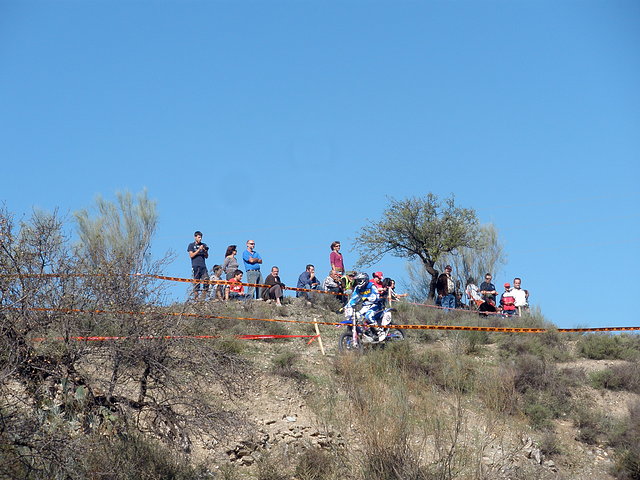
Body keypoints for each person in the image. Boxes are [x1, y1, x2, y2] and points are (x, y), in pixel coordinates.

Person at [344, 272, 387, 340]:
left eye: (360, 280)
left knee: (368, 316)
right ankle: (367, 332)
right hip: (365, 306)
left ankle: (379, 331)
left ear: (365, 280)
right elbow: (354, 299)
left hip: (375, 305)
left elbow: (376, 296)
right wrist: (346, 306)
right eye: (357, 280)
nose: (358, 282)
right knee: (358, 315)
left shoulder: (371, 286)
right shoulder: (358, 288)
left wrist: (368, 298)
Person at [187, 230, 209, 299]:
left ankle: (203, 297)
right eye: (199, 237)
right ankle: (196, 298)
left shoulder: (204, 245)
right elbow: (191, 255)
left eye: (201, 237)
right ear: (195, 237)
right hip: (195, 266)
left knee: (206, 280)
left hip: (203, 266)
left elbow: (207, 256)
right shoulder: (191, 245)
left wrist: (205, 251)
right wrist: (198, 250)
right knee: (196, 283)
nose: (200, 239)